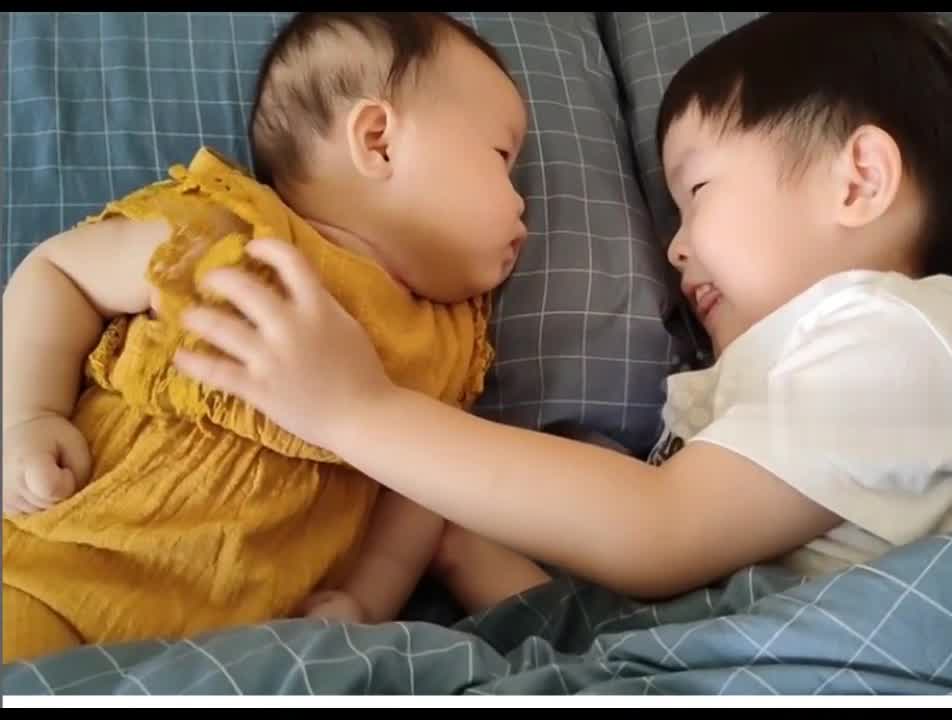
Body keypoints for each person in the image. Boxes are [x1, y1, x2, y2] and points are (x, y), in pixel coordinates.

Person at [173, 12, 952, 603]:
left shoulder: (915, 340)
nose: (673, 247)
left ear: (859, 180)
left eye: (699, 191)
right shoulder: (776, 375)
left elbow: (660, 531)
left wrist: (354, 410)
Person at [1, 12, 550, 664]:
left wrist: (366, 600)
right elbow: (59, 271)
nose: (523, 203)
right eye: (501, 158)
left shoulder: (448, 342)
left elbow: (422, 495)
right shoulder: (231, 230)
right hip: (62, 573)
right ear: (378, 141)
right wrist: (27, 416)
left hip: (236, 656)